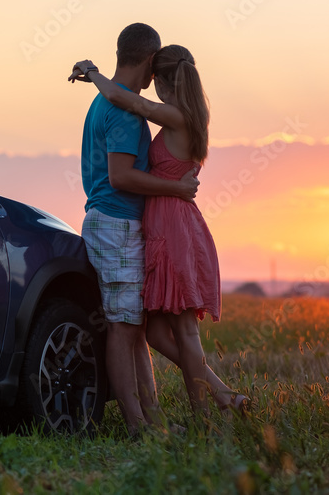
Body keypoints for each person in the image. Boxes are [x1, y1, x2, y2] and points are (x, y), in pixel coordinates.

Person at [71, 45, 249, 417]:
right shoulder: (191, 116)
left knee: (182, 330)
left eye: (157, 83)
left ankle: (203, 415)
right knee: (152, 332)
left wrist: (93, 73)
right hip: (165, 223)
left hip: (171, 226)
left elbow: (128, 100)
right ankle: (218, 393)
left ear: (164, 82)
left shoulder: (174, 116)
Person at [69, 24, 200, 436]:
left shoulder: (106, 103)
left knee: (133, 327)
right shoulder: (125, 112)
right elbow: (122, 176)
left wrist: (91, 72)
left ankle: (152, 419)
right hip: (117, 223)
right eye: (156, 65)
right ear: (148, 60)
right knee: (124, 329)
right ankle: (135, 424)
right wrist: (177, 188)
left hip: (113, 223)